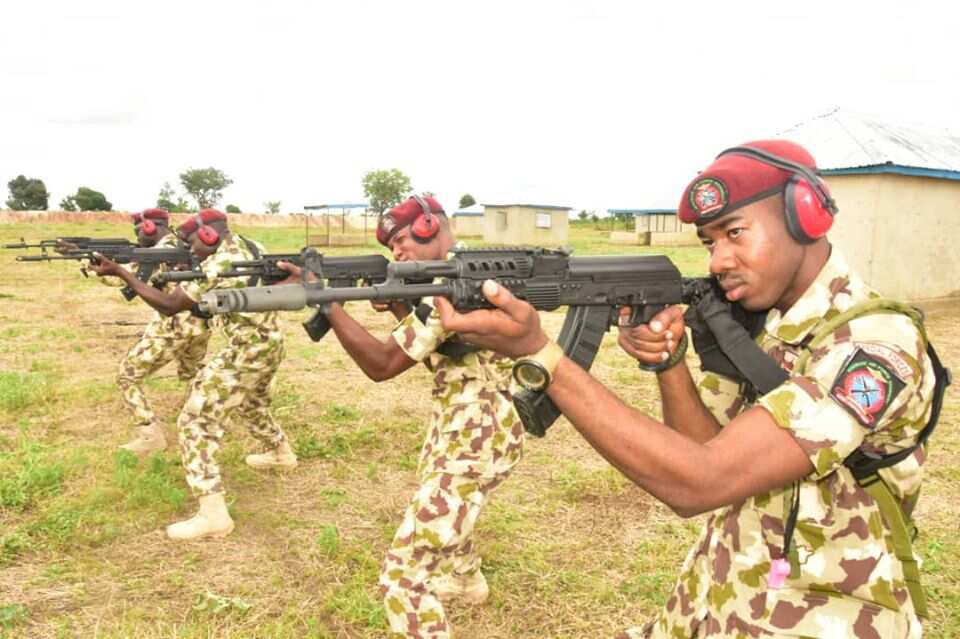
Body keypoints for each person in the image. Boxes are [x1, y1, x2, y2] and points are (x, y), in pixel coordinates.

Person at [436, 140, 945, 638]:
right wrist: (670, 362)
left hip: (823, 617)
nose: (719, 259)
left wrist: (544, 355)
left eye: (735, 233)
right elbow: (705, 445)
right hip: (724, 600)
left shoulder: (875, 346)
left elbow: (702, 481)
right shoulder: (760, 324)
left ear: (806, 217)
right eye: (709, 242)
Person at [280, 195, 525, 639]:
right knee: (446, 500)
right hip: (471, 422)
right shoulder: (458, 271)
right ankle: (466, 579)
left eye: (402, 239)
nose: (398, 252)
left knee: (403, 574)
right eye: (392, 246)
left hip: (477, 432)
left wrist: (329, 303)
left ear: (431, 225)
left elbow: (382, 364)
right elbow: (447, 347)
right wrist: (399, 307)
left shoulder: (454, 281)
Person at [87, 208, 297, 540]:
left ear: (208, 236)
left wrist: (124, 275)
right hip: (270, 344)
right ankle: (280, 452)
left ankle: (213, 515)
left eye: (192, 243)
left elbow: (170, 306)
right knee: (252, 405)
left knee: (195, 421)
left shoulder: (219, 263)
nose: (191, 251)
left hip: (247, 350)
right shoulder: (248, 245)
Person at [114, 208, 211, 454]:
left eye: (139, 229)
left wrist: (109, 270)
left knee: (127, 376)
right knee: (193, 373)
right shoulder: (185, 245)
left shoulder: (163, 251)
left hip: (173, 327)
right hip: (200, 325)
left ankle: (149, 436)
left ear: (150, 226)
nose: (137, 235)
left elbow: (133, 280)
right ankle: (202, 420)